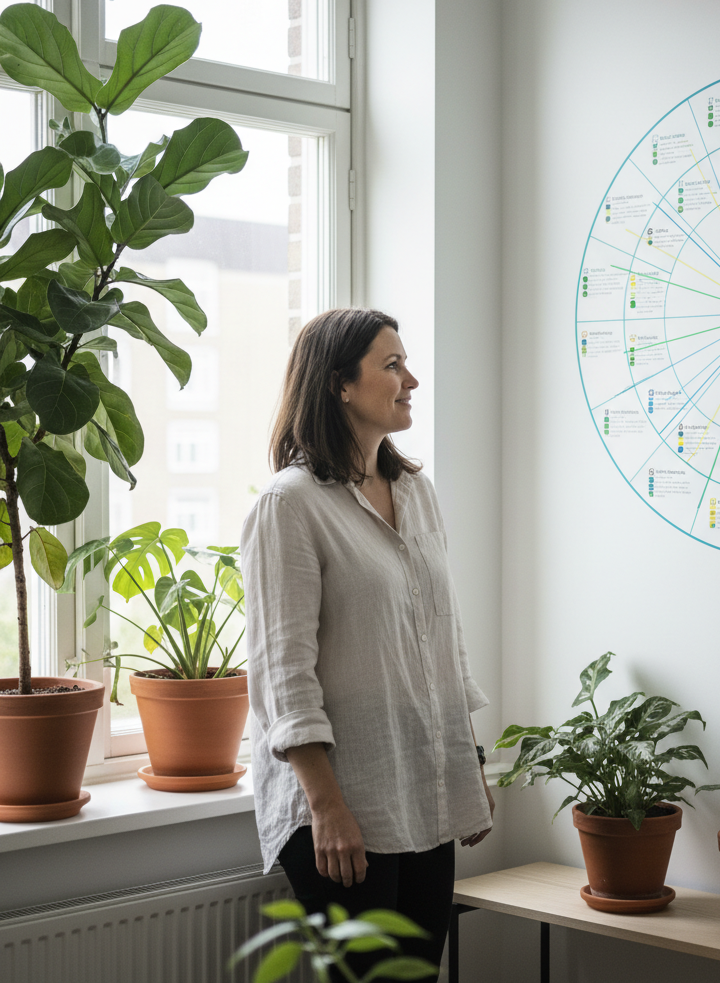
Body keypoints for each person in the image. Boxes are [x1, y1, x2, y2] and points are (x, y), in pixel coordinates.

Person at [240, 308, 494, 979]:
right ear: (339, 386)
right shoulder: (288, 506)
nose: (411, 378)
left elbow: (442, 639)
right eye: (391, 365)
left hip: (421, 789)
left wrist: (464, 767)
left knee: (417, 973)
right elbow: (282, 675)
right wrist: (327, 807)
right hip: (339, 805)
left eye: (405, 362)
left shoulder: (417, 493)